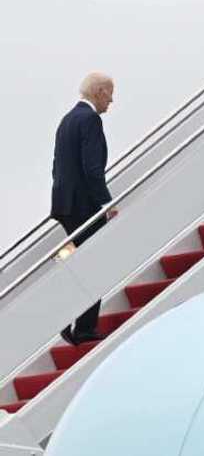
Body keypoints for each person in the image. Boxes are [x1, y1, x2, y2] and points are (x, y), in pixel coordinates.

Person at [50, 72, 115, 345]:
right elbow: (92, 169)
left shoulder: (68, 119)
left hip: (65, 203)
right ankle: (83, 327)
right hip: (84, 204)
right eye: (110, 93)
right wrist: (106, 203)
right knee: (95, 262)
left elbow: (57, 165)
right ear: (99, 91)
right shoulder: (90, 120)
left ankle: (70, 321)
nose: (112, 100)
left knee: (82, 263)